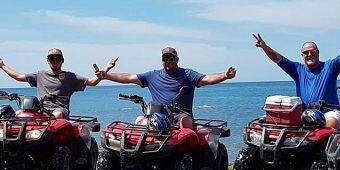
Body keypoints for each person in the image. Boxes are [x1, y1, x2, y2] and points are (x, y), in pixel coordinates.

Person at [94, 46, 236, 129]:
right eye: (165, 58)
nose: (168, 61)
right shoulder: (152, 75)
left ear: (177, 60)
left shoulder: (188, 74)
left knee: (185, 122)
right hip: (158, 114)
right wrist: (107, 76)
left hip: (181, 113)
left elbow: (207, 79)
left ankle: (189, 156)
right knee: (140, 120)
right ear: (162, 60)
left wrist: (225, 75)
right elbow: (129, 78)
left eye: (171, 58)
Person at [252, 31, 340, 128]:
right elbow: (277, 58)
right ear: (302, 55)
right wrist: (264, 46)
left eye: (312, 52)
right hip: (305, 113)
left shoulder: (330, 67)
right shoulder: (297, 69)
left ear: (318, 53)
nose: (309, 54)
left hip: (329, 113)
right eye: (306, 53)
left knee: (331, 122)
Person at [0, 49, 116, 118]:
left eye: (58, 59)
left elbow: (92, 82)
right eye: (52, 59)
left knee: (57, 115)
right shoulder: (39, 75)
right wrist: (2, 66)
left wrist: (106, 70)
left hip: (60, 110)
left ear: (62, 61)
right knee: (18, 115)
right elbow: (18, 77)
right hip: (39, 109)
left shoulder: (71, 77)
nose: (55, 61)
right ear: (48, 61)